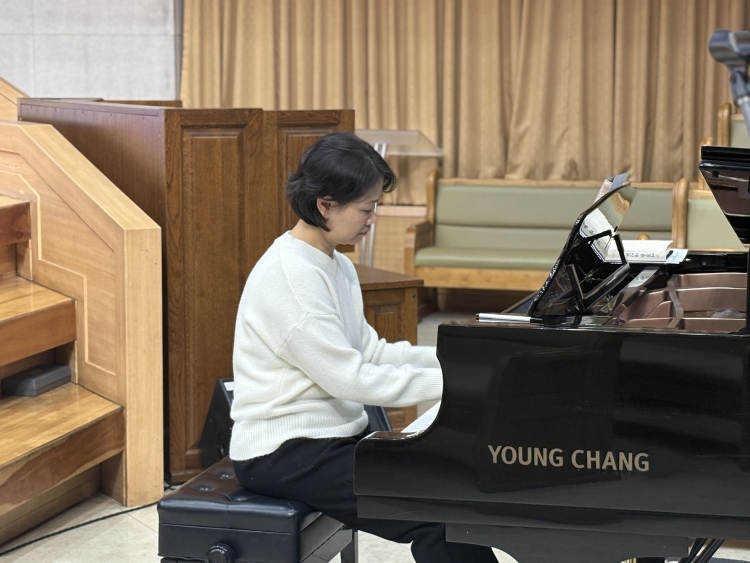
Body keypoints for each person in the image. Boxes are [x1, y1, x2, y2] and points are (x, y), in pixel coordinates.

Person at [229, 131, 498, 563]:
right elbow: (351, 379)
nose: (373, 219)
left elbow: (372, 353)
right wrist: (460, 382)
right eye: (366, 208)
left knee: (454, 486)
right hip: (284, 451)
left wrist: (464, 360)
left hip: (331, 437)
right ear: (325, 205)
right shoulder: (291, 276)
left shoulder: (335, 262)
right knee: (439, 513)